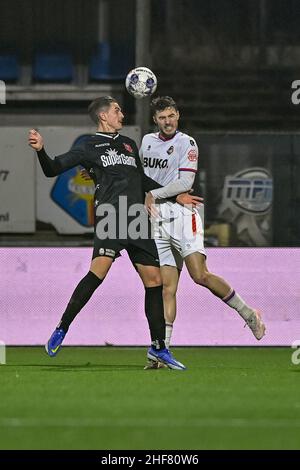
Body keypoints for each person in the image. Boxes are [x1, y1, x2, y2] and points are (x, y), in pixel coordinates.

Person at [28, 96, 199, 370]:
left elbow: (142, 180)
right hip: (111, 217)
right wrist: (41, 150)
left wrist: (176, 195)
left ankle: (158, 348)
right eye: (117, 110)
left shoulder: (129, 145)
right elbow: (53, 169)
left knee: (154, 281)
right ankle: (62, 327)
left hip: (137, 218)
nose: (122, 113)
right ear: (103, 116)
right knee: (98, 273)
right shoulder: (89, 146)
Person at [141, 96, 266, 365]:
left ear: (178, 115)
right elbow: (143, 177)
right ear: (155, 120)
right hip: (158, 218)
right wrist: (161, 196)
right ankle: (163, 351)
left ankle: (248, 314)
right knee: (166, 288)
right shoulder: (147, 143)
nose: (168, 121)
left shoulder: (187, 143)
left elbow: (186, 180)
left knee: (200, 275)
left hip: (184, 217)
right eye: (162, 117)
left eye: (171, 115)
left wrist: (154, 193)